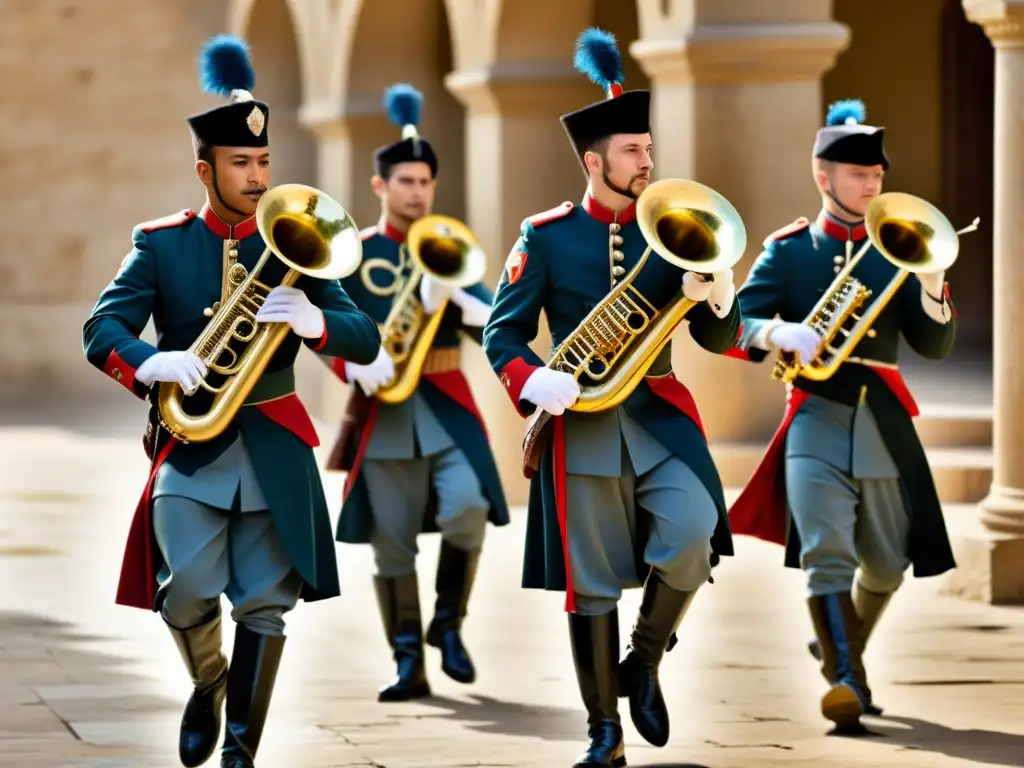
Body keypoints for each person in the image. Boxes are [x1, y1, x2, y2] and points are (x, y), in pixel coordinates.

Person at [81, 35, 380, 768]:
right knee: (183, 593)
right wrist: (157, 362)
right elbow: (102, 328)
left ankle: (241, 752)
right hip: (193, 440)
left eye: (264, 162)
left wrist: (314, 322)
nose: (255, 177)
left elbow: (363, 338)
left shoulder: (296, 244)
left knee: (265, 607)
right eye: (241, 164)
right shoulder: (161, 245)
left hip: (275, 441)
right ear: (205, 169)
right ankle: (210, 681)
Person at [482, 29, 738, 767]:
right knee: (590, 585)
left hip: (659, 416)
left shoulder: (674, 234)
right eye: (632, 152)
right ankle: (604, 733)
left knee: (692, 538)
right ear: (594, 162)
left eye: (649, 150)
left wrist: (719, 298)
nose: (647, 162)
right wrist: (536, 381)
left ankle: (646, 657)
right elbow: (502, 336)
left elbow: (721, 339)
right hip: (583, 422)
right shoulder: (548, 236)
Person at [724, 99, 957, 732]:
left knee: (886, 563)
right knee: (827, 552)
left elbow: (934, 346)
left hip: (880, 417)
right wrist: (778, 332)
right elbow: (732, 325)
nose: (872, 184)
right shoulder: (790, 252)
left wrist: (933, 287)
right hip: (814, 414)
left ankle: (839, 644)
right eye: (859, 174)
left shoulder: (899, 250)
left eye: (877, 175)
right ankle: (847, 677)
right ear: (823, 177)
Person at [322, 83, 509, 703]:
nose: (417, 192)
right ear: (381, 187)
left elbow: (491, 323)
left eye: (425, 181)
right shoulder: (356, 255)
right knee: (392, 540)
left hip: (448, 399)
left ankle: (447, 626)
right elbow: (328, 324)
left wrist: (463, 300)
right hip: (385, 409)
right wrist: (350, 368)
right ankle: (408, 660)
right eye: (405, 181)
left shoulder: (450, 252)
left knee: (468, 507)